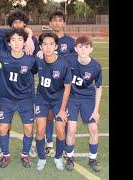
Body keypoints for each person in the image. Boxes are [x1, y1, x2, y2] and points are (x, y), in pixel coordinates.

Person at [0, 28, 37, 168]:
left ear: (25, 42)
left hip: (25, 100)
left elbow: (39, 69)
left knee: (28, 129)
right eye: (13, 40)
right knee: (2, 129)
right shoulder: (2, 55)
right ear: (8, 42)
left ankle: (25, 155)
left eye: (20, 39)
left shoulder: (31, 59)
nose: (16, 43)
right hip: (7, 99)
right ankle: (6, 155)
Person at [34, 32, 72, 171]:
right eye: (45, 44)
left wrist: (62, 110)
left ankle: (57, 157)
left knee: (61, 130)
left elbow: (67, 88)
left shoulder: (63, 64)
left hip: (58, 100)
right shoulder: (37, 59)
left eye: (51, 44)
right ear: (40, 47)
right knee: (40, 130)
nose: (48, 47)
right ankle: (42, 158)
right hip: (42, 99)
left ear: (56, 46)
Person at [64, 36, 102, 172]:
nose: (83, 49)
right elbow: (53, 56)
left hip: (88, 99)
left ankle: (92, 158)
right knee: (71, 129)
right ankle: (69, 157)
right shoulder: (69, 59)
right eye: (80, 47)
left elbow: (98, 88)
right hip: (73, 99)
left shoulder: (96, 66)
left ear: (91, 48)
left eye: (86, 47)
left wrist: (96, 110)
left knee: (93, 129)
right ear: (75, 49)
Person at [5, 9, 40, 158]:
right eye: (14, 22)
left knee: (28, 124)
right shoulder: (6, 38)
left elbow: (38, 61)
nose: (18, 24)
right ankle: (3, 149)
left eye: (20, 22)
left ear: (25, 23)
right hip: (8, 89)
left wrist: (30, 37)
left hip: (26, 87)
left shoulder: (32, 40)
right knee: (5, 124)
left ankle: (28, 148)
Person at [42, 10, 76, 157]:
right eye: (54, 20)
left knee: (63, 117)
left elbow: (75, 62)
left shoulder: (70, 41)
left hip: (65, 85)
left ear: (64, 22)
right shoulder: (46, 39)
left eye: (59, 20)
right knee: (49, 116)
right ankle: (49, 144)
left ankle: (64, 147)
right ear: (50, 23)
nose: (56, 22)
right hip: (49, 85)